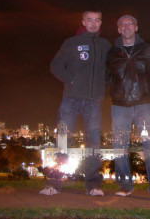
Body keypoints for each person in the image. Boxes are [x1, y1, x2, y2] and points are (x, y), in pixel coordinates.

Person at [40, 11, 111, 196]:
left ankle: (93, 186)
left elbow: (113, 68)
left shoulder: (105, 45)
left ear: (101, 23)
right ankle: (53, 184)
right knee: (63, 141)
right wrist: (71, 80)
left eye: (97, 20)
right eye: (89, 20)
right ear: (83, 22)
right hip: (71, 98)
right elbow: (55, 65)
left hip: (93, 101)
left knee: (93, 143)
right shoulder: (71, 42)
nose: (93, 23)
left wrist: (105, 83)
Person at [106, 14, 150, 200]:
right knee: (119, 146)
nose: (126, 27)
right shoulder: (112, 52)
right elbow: (107, 78)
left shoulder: (148, 49)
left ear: (136, 27)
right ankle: (125, 185)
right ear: (118, 29)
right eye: (122, 24)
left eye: (130, 23)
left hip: (143, 106)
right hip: (120, 107)